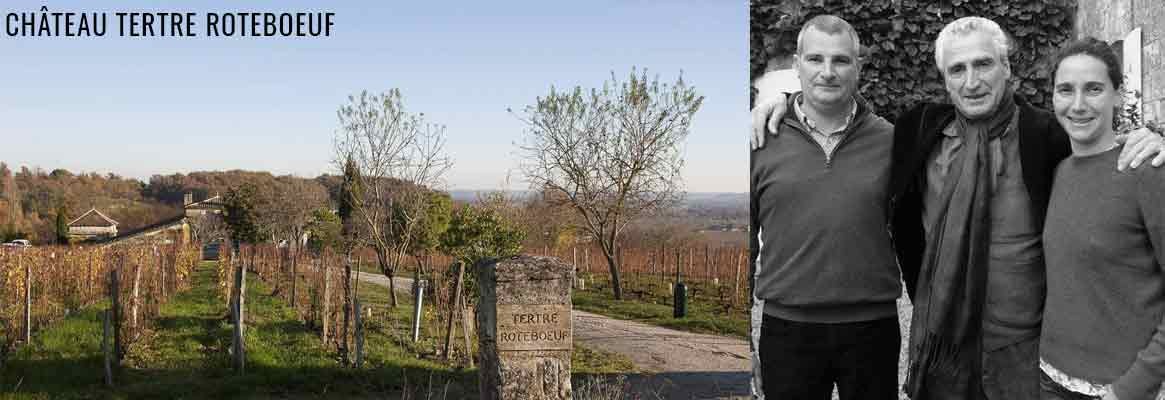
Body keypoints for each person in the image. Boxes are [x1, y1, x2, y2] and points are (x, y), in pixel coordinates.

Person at [748, 17, 1165, 399]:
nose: (972, 82)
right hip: (941, 349)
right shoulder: (917, 134)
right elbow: (827, 101)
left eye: (983, 65)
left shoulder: (1046, 136)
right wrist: (781, 102)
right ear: (944, 81)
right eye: (957, 70)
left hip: (1021, 355)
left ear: (1007, 69)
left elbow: (1094, 145)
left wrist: (1146, 139)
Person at [749, 15, 901, 400]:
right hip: (787, 331)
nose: (827, 72)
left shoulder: (893, 142)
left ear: (858, 67)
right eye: (815, 59)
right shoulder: (758, 141)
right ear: (797, 65)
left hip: (873, 330)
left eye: (841, 60)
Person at [1040, 38, 1165, 400]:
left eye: (1093, 89)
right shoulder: (1059, 170)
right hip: (1049, 376)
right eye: (1066, 90)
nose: (1078, 105)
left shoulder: (1146, 170)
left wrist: (1132, 387)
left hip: (1119, 387)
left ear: (1118, 96)